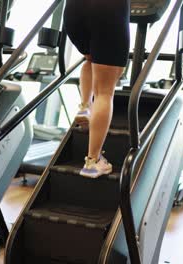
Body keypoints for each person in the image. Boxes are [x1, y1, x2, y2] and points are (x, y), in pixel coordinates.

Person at [63, 0, 130, 178]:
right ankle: (93, 161)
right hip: (108, 9)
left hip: (74, 9)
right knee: (104, 92)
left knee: (91, 58)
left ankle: (85, 106)